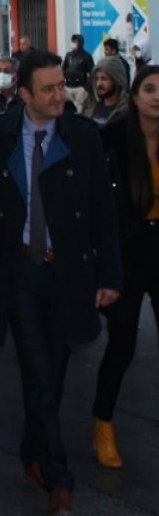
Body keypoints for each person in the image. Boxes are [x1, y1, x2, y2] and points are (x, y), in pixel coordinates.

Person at [0, 50, 121, 515]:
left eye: (61, 86)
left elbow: (102, 209)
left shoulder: (82, 136)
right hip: (18, 273)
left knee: (51, 374)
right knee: (37, 371)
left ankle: (31, 454)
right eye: (50, 89)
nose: (61, 95)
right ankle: (59, 479)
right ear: (25, 95)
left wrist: (109, 275)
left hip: (68, 274)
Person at [92, 65, 159, 469]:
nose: (157, 96)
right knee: (122, 346)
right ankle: (103, 425)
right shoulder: (112, 140)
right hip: (127, 256)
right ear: (134, 96)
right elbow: (101, 208)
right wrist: (105, 270)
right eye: (149, 89)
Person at [89, 56, 129, 125]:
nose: (99, 84)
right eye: (97, 79)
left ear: (117, 80)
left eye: (104, 79)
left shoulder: (127, 111)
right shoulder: (91, 106)